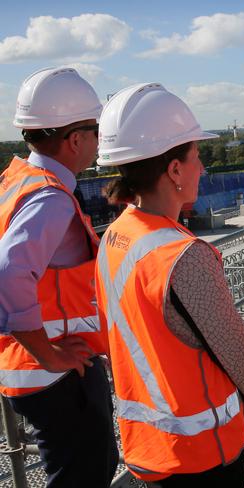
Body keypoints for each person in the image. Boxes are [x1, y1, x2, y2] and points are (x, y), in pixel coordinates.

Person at [95, 82, 244, 487]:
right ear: (174, 170)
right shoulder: (182, 256)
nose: (203, 168)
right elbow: (235, 347)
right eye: (196, 157)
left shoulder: (116, 237)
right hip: (199, 453)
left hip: (148, 446)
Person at [0, 67, 118, 486]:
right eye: (96, 129)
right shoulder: (49, 196)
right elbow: (8, 272)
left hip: (37, 368)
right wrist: (47, 353)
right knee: (83, 477)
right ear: (74, 140)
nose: (99, 139)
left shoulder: (17, 181)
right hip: (54, 372)